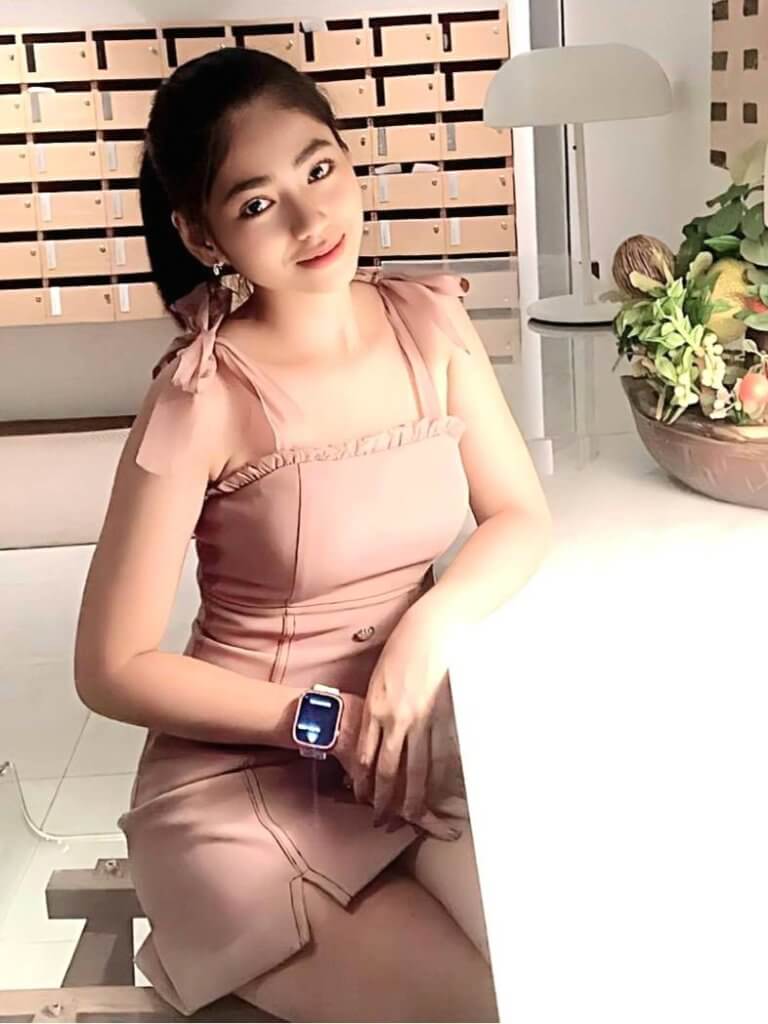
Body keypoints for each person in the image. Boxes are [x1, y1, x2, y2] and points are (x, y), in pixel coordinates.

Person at [73, 47, 552, 1022]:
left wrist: (423, 635)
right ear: (200, 233)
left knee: (571, 971)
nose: (308, 219)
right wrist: (319, 720)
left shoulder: (430, 324)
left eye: (319, 169)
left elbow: (518, 515)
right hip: (247, 782)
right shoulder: (201, 396)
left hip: (413, 743)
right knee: (475, 1010)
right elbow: (109, 666)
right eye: (257, 203)